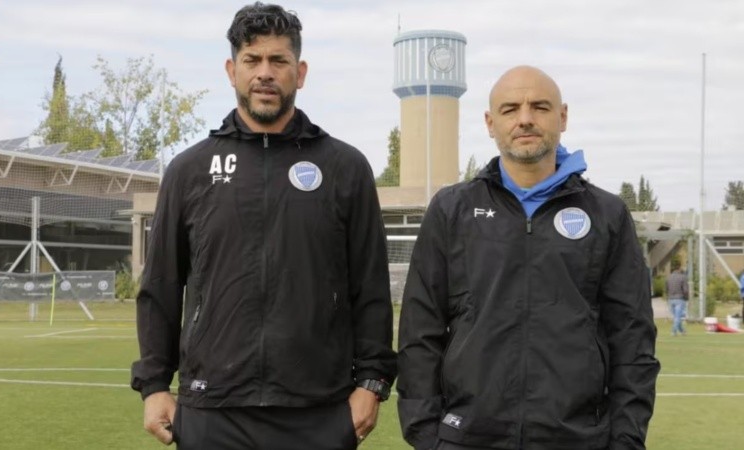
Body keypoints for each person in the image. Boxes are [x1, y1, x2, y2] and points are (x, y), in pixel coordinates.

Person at [130, 3, 396, 449]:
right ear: (232, 70)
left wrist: (371, 385)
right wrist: (155, 384)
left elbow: (370, 287)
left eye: (279, 60)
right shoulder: (190, 169)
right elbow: (161, 285)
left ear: (301, 71)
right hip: (213, 409)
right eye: (253, 61)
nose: (265, 73)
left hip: (320, 411)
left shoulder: (345, 168)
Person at [397, 66, 660, 450]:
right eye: (510, 109)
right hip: (467, 438)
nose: (524, 119)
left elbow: (633, 338)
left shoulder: (607, 214)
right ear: (490, 123)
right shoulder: (452, 209)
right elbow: (419, 331)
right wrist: (426, 434)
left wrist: (625, 438)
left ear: (563, 116)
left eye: (539, 107)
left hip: (577, 439)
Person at [666, 261, 689, 336]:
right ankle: (673, 331)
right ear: (679, 268)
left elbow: (666, 288)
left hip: (670, 299)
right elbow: (685, 290)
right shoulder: (683, 277)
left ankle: (682, 331)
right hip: (680, 298)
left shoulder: (669, 277)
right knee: (678, 317)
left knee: (676, 316)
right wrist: (686, 298)